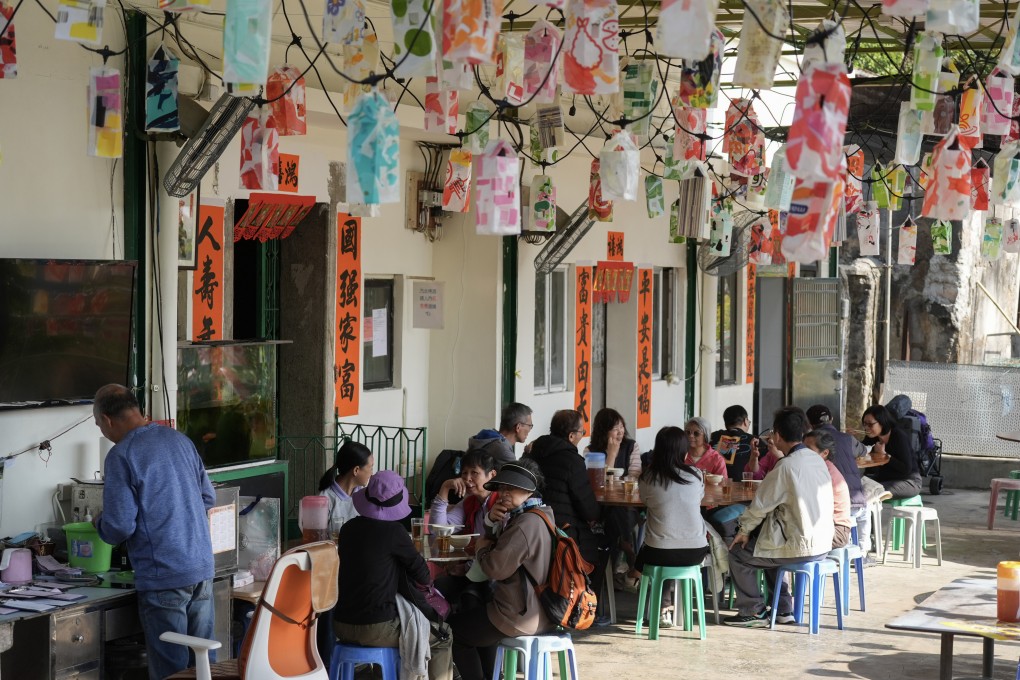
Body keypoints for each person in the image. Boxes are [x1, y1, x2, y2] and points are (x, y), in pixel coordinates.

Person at [92, 385, 216, 680]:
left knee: (171, 671)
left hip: (164, 576)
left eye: (98, 425)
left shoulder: (121, 455)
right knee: (203, 667)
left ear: (108, 419)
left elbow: (119, 526)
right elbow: (208, 498)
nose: (102, 431)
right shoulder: (180, 440)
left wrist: (99, 523)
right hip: (201, 569)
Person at [334, 470, 453, 680]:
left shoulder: (348, 529)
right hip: (376, 627)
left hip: (340, 624)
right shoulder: (394, 532)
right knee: (444, 636)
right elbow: (424, 577)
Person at [723, 406, 835, 628]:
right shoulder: (816, 460)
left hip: (800, 545)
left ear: (777, 434)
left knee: (738, 552)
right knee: (766, 548)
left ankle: (753, 611)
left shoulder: (786, 466)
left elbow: (759, 506)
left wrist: (744, 531)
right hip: (823, 542)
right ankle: (783, 609)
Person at [449, 460, 556, 680]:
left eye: (511, 487)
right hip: (542, 610)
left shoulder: (525, 524)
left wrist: (481, 548)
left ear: (528, 489)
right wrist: (489, 523)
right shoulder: (541, 514)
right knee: (476, 611)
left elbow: (495, 569)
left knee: (452, 633)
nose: (504, 493)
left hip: (519, 615)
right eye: (502, 488)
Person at [524, 410, 608, 586]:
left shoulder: (533, 452)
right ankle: (587, 606)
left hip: (533, 529)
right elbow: (589, 510)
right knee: (603, 545)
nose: (582, 436)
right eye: (582, 432)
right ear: (571, 436)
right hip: (564, 534)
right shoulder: (573, 461)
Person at [638, 426, 709, 628]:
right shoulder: (696, 475)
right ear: (684, 451)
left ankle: (658, 608)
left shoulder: (647, 478)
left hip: (659, 552)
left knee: (652, 548)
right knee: (666, 541)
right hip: (695, 552)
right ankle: (664, 609)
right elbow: (697, 498)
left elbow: (646, 501)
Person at [430, 450, 500, 614]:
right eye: (464, 473)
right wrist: (445, 487)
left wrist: (467, 568)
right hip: (473, 571)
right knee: (436, 587)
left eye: (474, 473)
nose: (467, 479)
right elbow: (439, 531)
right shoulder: (470, 501)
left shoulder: (501, 504)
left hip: (493, 576)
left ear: (492, 475)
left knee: (466, 597)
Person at [806, 404, 873, 559]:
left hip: (835, 512)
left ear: (809, 424)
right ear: (832, 419)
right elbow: (863, 450)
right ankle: (863, 552)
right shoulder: (847, 439)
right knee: (869, 504)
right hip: (857, 502)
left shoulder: (812, 443)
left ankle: (851, 555)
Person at [586, 408, 642, 584]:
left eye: (622, 427)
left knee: (616, 514)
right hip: (599, 505)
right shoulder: (591, 450)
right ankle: (626, 547)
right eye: (615, 428)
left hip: (627, 505)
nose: (620, 432)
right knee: (611, 516)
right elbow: (596, 482)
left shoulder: (632, 446)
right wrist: (611, 455)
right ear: (604, 430)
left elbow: (635, 477)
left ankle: (619, 548)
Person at [804, 429, 853, 549]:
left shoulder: (824, 472)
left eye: (808, 449)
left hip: (837, 531)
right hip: (825, 526)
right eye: (802, 447)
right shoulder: (819, 467)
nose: (802, 452)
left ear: (825, 453)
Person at [861, 404, 922, 499]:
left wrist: (885, 455)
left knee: (871, 492)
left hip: (908, 481)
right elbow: (861, 450)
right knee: (856, 487)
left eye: (870, 424)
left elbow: (906, 469)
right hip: (885, 479)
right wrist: (849, 439)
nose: (866, 428)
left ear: (882, 422)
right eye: (864, 424)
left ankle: (871, 514)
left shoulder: (899, 436)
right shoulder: (872, 437)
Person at [317, 440, 374, 535]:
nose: (372, 473)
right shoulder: (324, 499)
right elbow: (319, 539)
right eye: (371, 468)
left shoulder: (366, 496)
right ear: (356, 470)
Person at [466, 402, 534, 466]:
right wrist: (528, 454)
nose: (530, 429)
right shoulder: (503, 450)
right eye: (529, 426)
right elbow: (519, 475)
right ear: (518, 427)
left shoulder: (488, 439)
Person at [710, 405, 758, 480]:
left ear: (725, 424)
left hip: (716, 486)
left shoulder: (711, 437)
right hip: (745, 488)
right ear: (745, 421)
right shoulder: (755, 441)